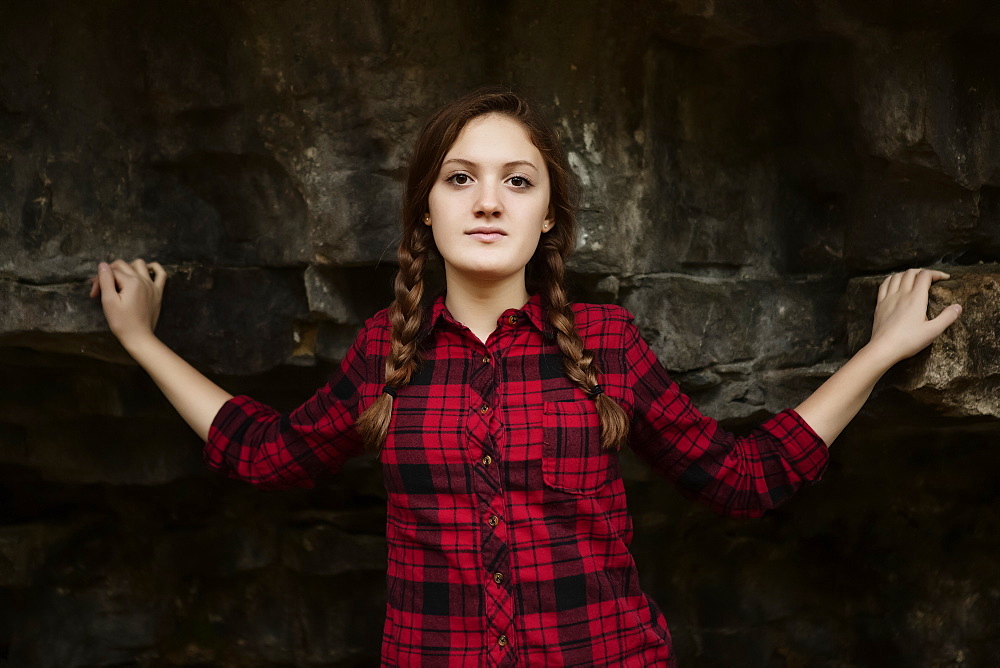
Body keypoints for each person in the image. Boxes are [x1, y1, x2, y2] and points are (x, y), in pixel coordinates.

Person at [89, 88, 961, 666]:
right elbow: (264, 455)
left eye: (517, 180)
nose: (488, 200)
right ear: (425, 211)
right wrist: (140, 341)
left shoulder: (609, 345)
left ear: (549, 217)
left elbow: (743, 480)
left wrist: (879, 353)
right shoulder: (380, 355)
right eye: (460, 179)